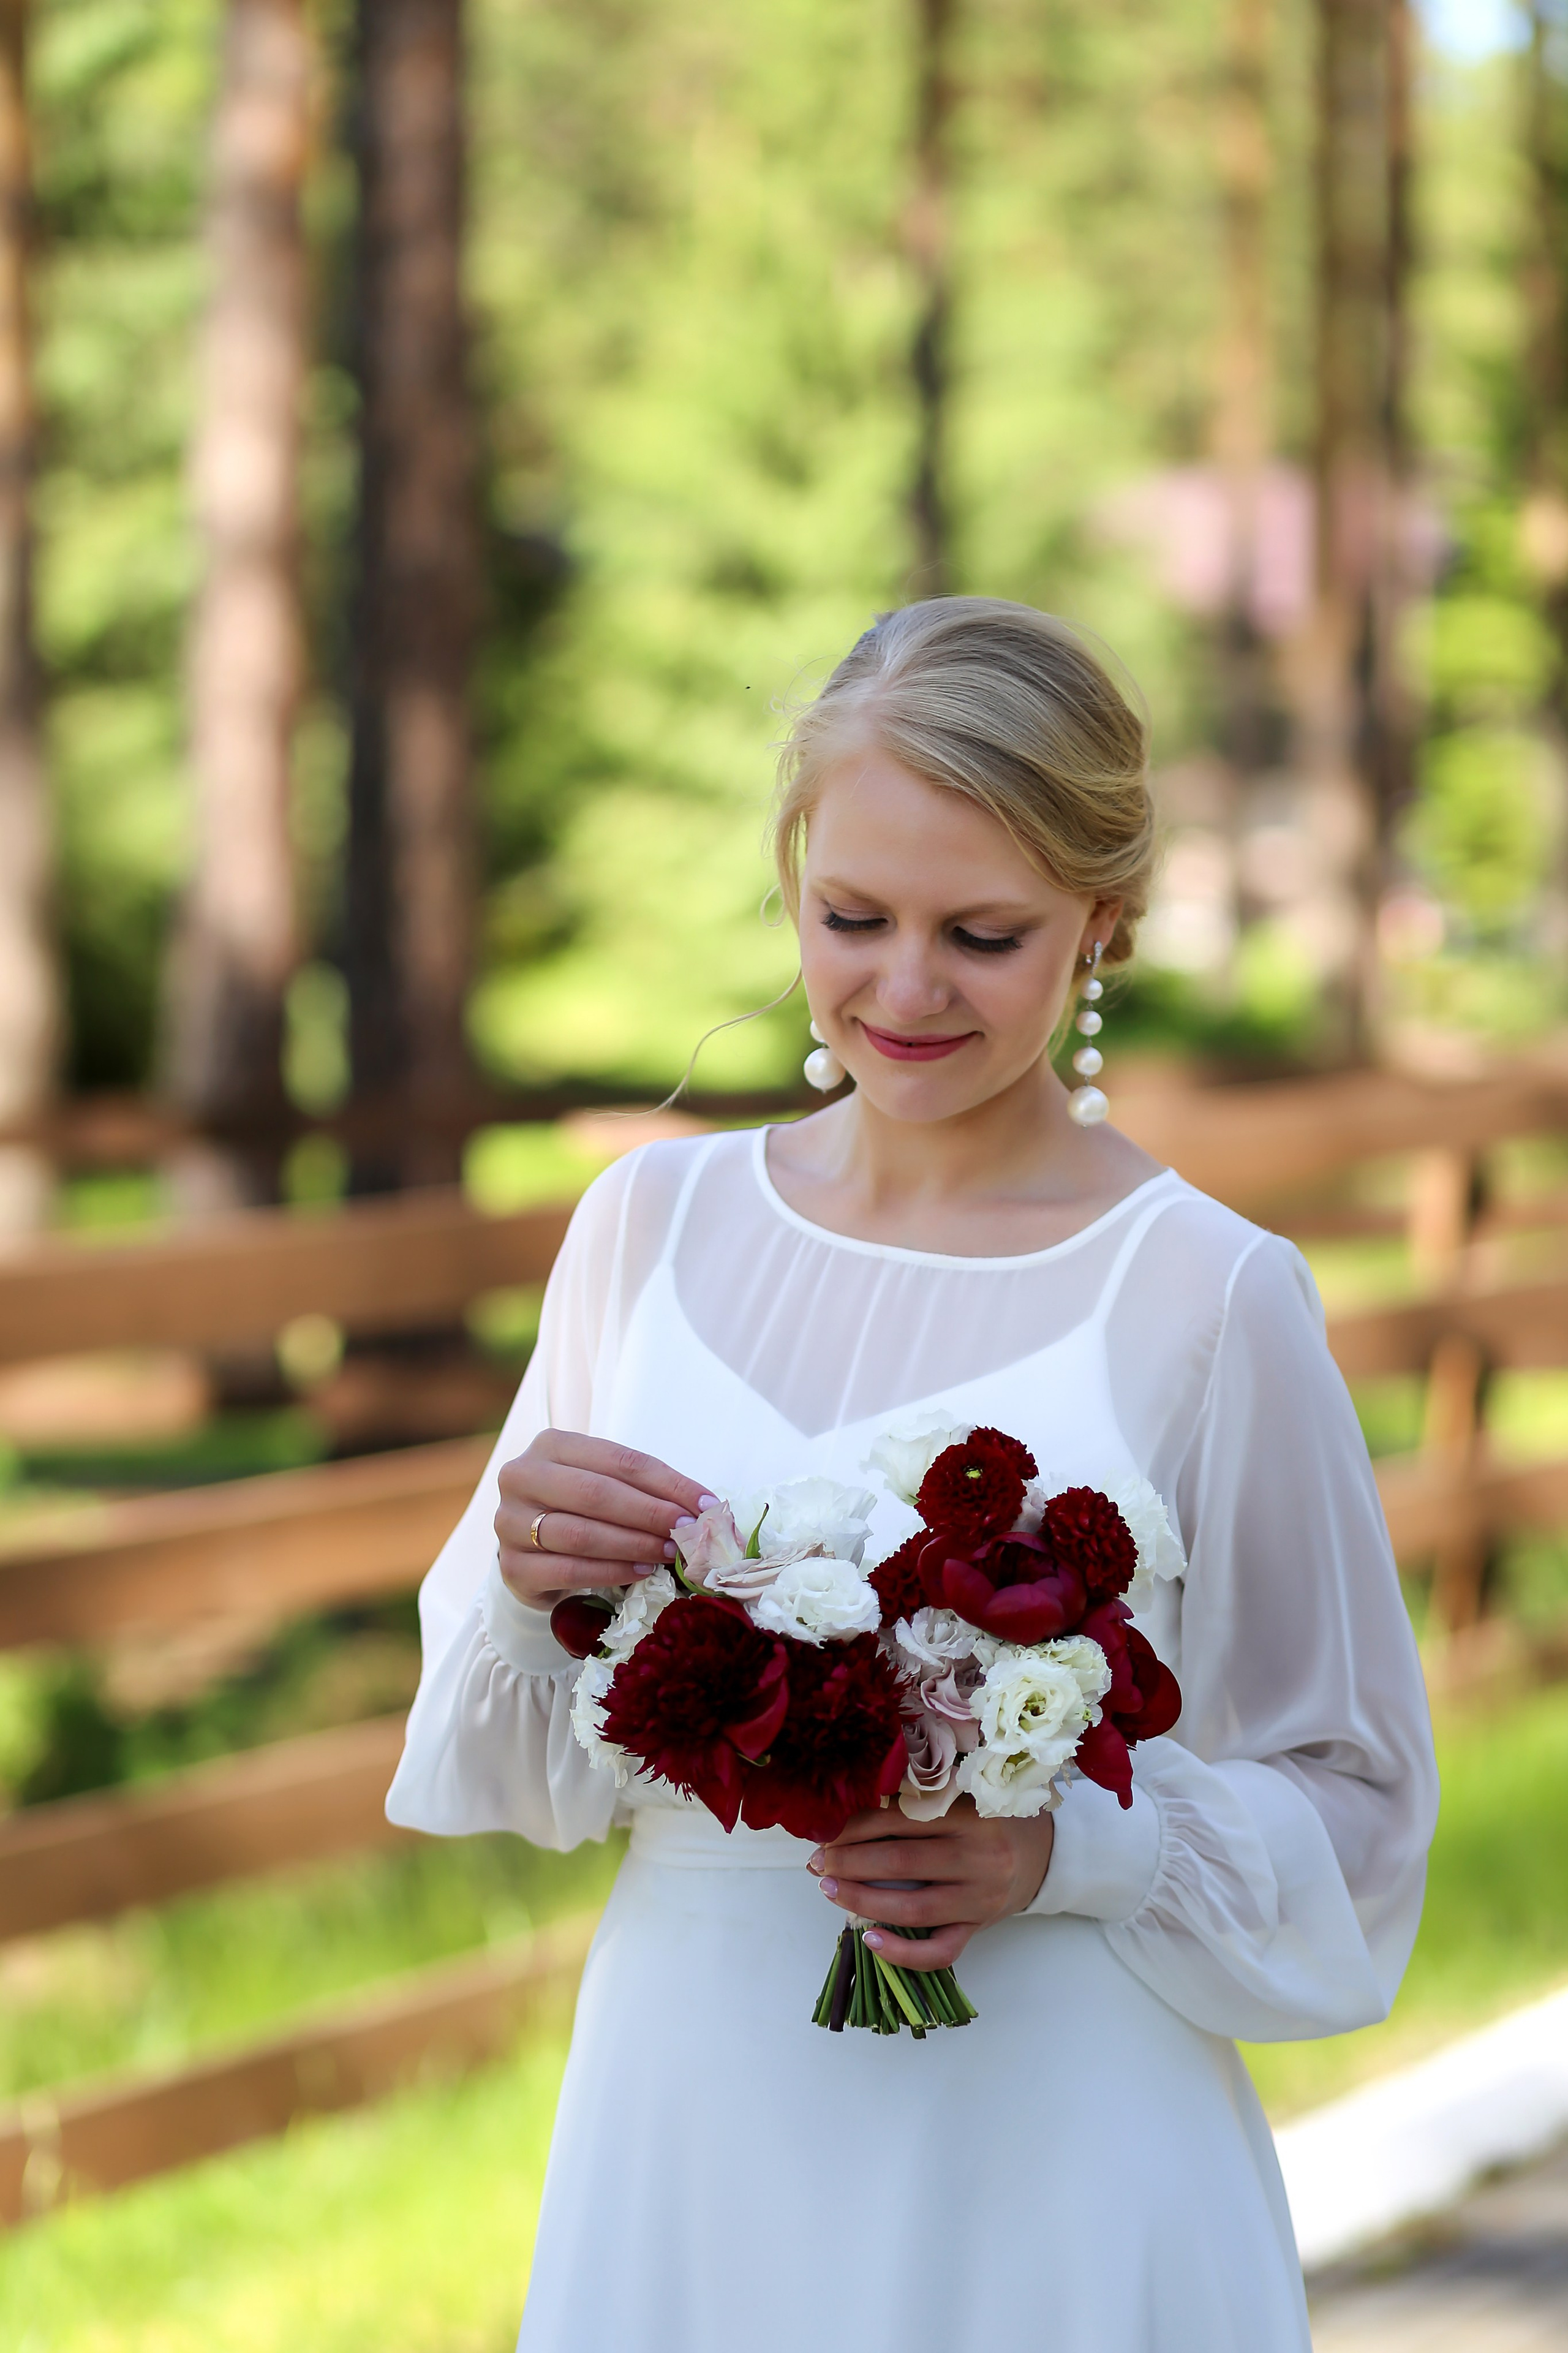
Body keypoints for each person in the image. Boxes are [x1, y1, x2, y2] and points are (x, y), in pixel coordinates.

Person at [387, 597, 1438, 2353]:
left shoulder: (1208, 1294)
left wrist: (1065, 1847)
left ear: (1102, 920)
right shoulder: (645, 1230)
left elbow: (1361, 1812)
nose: (905, 985)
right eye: (852, 914)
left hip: (1056, 2163)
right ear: (794, 870)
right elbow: (506, 1769)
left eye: (986, 931)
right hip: (692, 2128)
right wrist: (517, 1576)